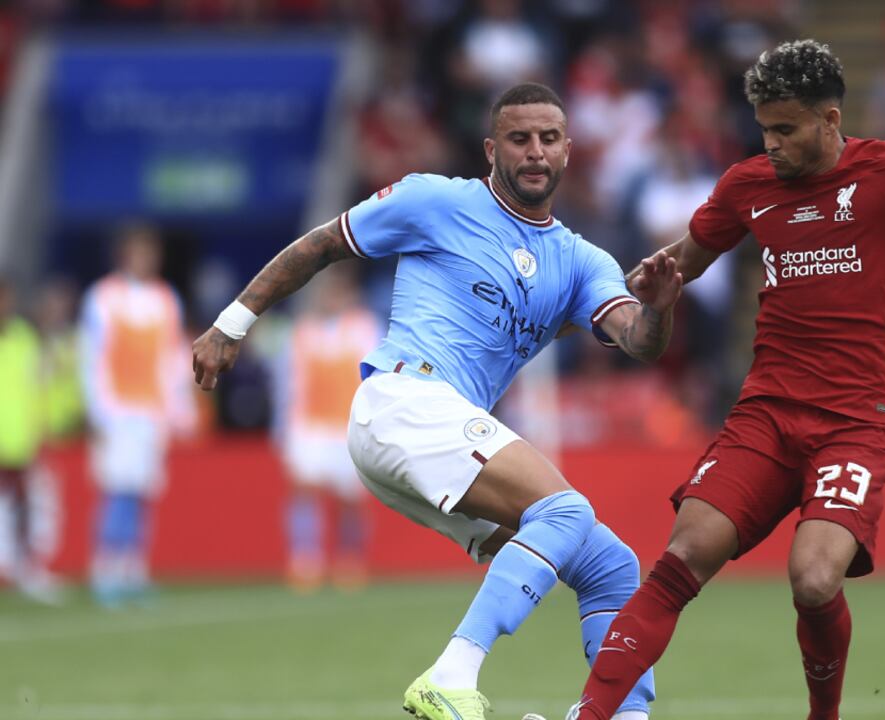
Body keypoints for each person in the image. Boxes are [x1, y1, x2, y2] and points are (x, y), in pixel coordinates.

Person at [551, 40, 885, 720]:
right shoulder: (747, 186)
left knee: (812, 579)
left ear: (830, 119)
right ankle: (590, 715)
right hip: (768, 412)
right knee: (683, 554)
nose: (771, 144)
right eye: (764, 130)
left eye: (786, 129)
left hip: (857, 421)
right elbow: (681, 263)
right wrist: (651, 288)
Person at [192, 83, 679, 720]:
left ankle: (621, 715)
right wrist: (231, 324)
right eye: (519, 138)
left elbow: (638, 340)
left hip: (433, 435)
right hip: (404, 399)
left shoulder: (583, 262)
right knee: (564, 511)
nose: (535, 152)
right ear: (491, 148)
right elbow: (320, 246)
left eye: (548, 139)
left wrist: (663, 309)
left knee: (609, 563)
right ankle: (451, 675)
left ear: (568, 149)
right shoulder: (435, 200)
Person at [80, 225, 194, 607]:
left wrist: (179, 410)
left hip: (150, 410)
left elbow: (173, 359)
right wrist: (97, 409)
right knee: (117, 489)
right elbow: (91, 356)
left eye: (151, 253)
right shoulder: (103, 298)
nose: (146, 260)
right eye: (139, 252)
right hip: (117, 409)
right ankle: (105, 570)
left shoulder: (166, 299)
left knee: (143, 491)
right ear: (124, 255)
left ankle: (133, 569)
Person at [275, 264, 380, 592]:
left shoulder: (364, 329)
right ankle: (306, 559)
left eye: (338, 292)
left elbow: (375, 380)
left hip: (348, 425)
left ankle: (350, 560)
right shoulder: (304, 332)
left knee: (351, 498)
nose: (331, 299)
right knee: (304, 489)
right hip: (311, 424)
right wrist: (284, 426)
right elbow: (289, 383)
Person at [0, 276, 61, 603]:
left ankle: (27, 570)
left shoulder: (24, 338)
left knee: (24, 508)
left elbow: (36, 387)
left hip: (18, 439)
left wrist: (39, 427)